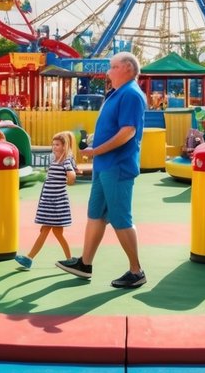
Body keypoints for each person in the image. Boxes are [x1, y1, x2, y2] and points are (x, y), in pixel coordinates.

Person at [56, 52, 147, 289]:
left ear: (126, 68)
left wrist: (97, 151)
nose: (108, 72)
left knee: (120, 218)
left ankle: (136, 271)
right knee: (95, 214)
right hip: (105, 165)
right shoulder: (118, 93)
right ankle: (85, 263)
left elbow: (128, 131)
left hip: (117, 165)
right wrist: (97, 143)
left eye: (112, 67)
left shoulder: (131, 94)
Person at [15, 131, 76, 270]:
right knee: (57, 233)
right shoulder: (55, 160)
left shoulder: (65, 161)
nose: (54, 147)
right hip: (49, 201)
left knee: (45, 230)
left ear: (64, 146)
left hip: (56, 203)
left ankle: (29, 258)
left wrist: (69, 180)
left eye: (57, 145)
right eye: (53, 144)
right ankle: (70, 260)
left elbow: (71, 175)